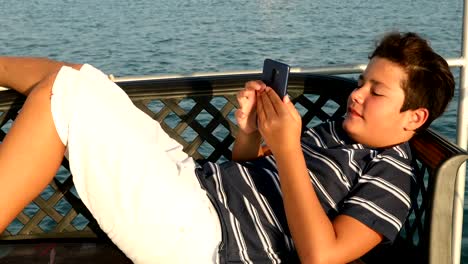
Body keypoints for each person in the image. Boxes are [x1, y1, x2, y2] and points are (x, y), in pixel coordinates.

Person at [0, 31, 454, 264]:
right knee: (83, 78)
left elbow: (323, 256)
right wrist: (251, 133)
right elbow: (254, 180)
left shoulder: (393, 175)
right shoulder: (339, 130)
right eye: (361, 81)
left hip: (205, 240)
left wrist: (289, 148)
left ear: (414, 118)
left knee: (65, 94)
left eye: (376, 92)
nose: (356, 94)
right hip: (198, 188)